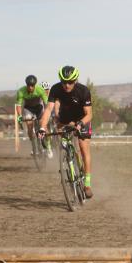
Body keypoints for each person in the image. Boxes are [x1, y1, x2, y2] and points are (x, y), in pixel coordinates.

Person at [38, 66, 94, 198]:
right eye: (63, 82)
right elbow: (48, 109)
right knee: (62, 139)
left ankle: (87, 183)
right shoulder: (56, 89)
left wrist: (80, 124)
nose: (66, 85)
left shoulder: (83, 91)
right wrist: (42, 127)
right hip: (65, 118)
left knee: (83, 147)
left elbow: (89, 114)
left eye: (70, 82)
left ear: (75, 80)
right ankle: (67, 160)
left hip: (82, 119)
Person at [16, 75, 53, 158]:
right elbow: (18, 105)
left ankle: (49, 147)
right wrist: (19, 116)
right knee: (29, 126)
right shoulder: (21, 91)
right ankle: (34, 145)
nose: (30, 87)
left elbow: (46, 103)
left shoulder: (40, 90)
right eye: (29, 85)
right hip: (28, 109)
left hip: (39, 108)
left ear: (35, 85)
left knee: (43, 126)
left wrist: (48, 113)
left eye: (32, 85)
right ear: (26, 85)